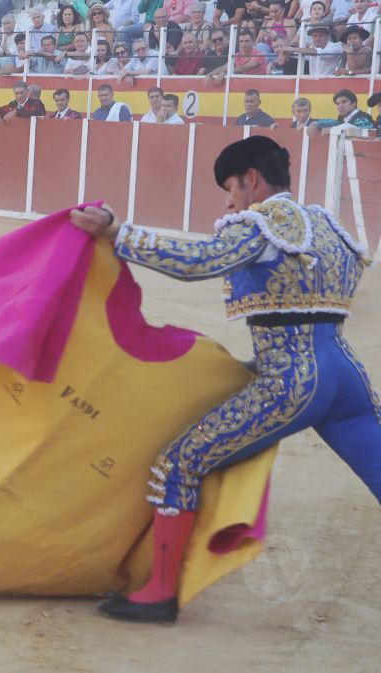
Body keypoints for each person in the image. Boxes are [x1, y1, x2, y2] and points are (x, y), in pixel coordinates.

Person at [70, 134, 380, 624]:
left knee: (179, 462)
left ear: (251, 180)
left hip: (293, 383)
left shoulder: (263, 223)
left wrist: (118, 234)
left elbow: (200, 262)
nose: (230, 201)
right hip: (346, 373)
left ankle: (160, 594)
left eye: (230, 189)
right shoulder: (326, 225)